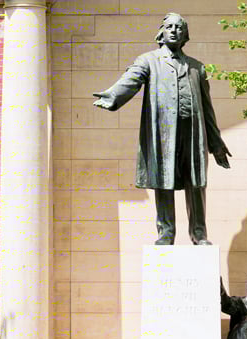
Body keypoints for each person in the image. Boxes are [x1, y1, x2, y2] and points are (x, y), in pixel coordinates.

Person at [93, 13, 231, 245]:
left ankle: (199, 234)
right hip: (164, 134)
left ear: (185, 35)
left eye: (179, 27)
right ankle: (166, 233)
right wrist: (112, 96)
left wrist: (215, 144)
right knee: (164, 181)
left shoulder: (197, 68)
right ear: (161, 32)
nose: (174, 31)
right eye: (169, 27)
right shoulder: (149, 60)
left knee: (196, 183)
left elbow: (208, 109)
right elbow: (131, 79)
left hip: (193, 134)